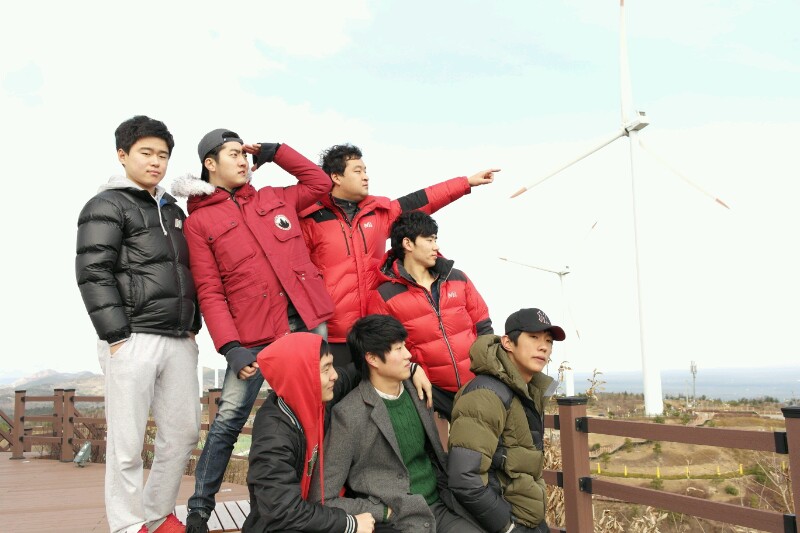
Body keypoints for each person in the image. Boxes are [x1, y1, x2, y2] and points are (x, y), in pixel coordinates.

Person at [171, 129, 335, 532]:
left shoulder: (275, 198)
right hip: (254, 335)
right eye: (233, 154)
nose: (242, 160)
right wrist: (230, 346)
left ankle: (315, 500)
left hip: (306, 322)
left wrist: (277, 152)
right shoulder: (199, 222)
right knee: (229, 418)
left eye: (245, 154)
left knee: (317, 409)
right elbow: (209, 289)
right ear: (210, 164)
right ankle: (199, 511)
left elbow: (320, 183)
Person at [75, 115, 201, 533]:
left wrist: (193, 324)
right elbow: (93, 271)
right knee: (127, 444)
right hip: (132, 337)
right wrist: (116, 335)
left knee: (183, 433)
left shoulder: (172, 209)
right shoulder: (106, 204)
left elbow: (187, 270)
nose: (155, 162)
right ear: (122, 155)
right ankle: (129, 525)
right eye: (146, 153)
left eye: (162, 155)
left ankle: (156, 513)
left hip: (178, 338)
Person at [300, 143, 498, 365]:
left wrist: (465, 183)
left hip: (376, 333)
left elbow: (423, 199)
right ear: (336, 177)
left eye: (365, 170)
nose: (366, 176)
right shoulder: (310, 219)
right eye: (358, 171)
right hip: (332, 335)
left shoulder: (379, 213)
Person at [310, 314, 484, 533]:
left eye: (405, 346)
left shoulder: (418, 390)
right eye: (398, 349)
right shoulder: (349, 414)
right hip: (397, 519)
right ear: (372, 359)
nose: (408, 355)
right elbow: (322, 498)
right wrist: (382, 512)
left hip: (440, 504)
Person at [243, 333, 432, 533]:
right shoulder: (273, 438)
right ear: (302, 377)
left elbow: (360, 369)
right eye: (326, 369)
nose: (334, 375)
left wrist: (411, 369)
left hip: (322, 511)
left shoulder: (320, 395)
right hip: (286, 525)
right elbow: (282, 512)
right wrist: (350, 524)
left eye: (331, 365)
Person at [368, 210, 493, 425]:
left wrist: (487, 369)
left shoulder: (457, 278)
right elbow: (383, 347)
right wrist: (412, 369)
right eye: (429, 240)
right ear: (408, 243)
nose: (436, 246)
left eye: (436, 239)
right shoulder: (385, 295)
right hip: (430, 394)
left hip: (477, 384)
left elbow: (483, 325)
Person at [447, 308, 564, 533]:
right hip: (505, 520)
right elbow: (465, 478)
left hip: (527, 517)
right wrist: (508, 527)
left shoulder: (528, 391)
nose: (543, 347)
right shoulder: (486, 395)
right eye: (533, 337)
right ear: (508, 343)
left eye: (549, 341)